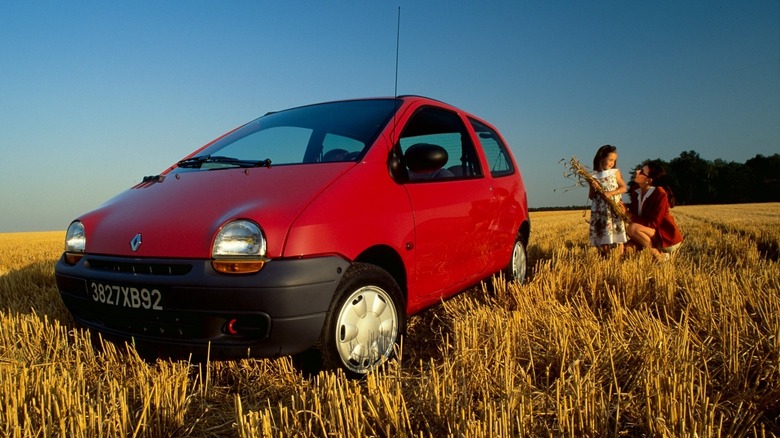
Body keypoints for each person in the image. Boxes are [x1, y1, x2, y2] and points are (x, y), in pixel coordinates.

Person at [626, 161, 683, 261]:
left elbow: (653, 223)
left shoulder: (660, 194)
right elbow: (635, 214)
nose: (637, 171)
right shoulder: (636, 192)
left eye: (642, 172)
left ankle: (659, 257)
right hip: (648, 234)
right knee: (626, 249)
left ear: (648, 180)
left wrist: (629, 215)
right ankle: (650, 254)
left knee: (632, 229)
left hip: (665, 238)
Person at [588, 145, 628, 256]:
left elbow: (623, 188)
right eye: (610, 160)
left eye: (614, 161)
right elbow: (591, 196)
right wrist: (593, 187)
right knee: (604, 232)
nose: (612, 163)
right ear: (601, 158)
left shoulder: (615, 172)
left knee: (617, 229)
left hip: (613, 207)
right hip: (600, 209)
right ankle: (607, 256)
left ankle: (620, 254)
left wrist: (610, 193)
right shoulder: (593, 176)